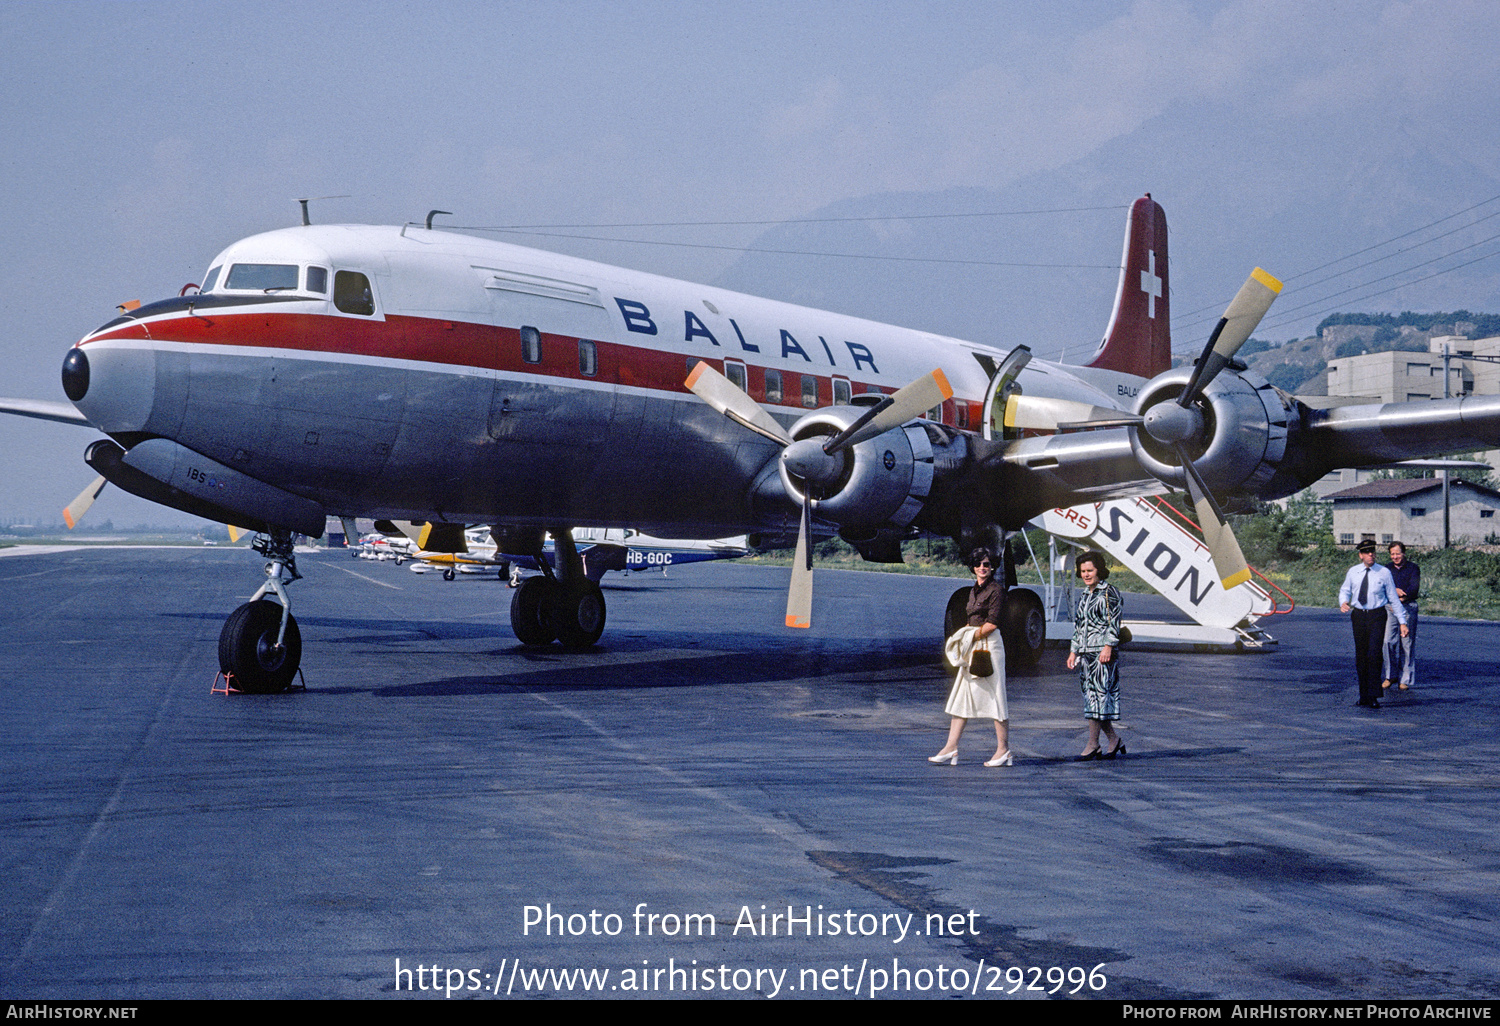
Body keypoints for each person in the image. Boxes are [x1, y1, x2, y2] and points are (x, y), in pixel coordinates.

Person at [930, 546, 1011, 767]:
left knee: (996, 697)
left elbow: (992, 623)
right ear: (973, 567)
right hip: (974, 644)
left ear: (992, 566)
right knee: (961, 696)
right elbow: (972, 619)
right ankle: (950, 748)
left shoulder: (996, 590)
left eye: (986, 564)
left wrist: (969, 636)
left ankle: (1003, 750)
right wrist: (965, 639)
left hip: (989, 646)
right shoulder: (974, 590)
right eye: (978, 564)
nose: (982, 568)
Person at [1068, 550, 1124, 760]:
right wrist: (1073, 650)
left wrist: (1108, 647)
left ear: (1099, 570)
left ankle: (1093, 744)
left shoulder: (1110, 593)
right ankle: (1113, 739)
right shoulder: (1085, 595)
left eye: (1090, 570)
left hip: (1102, 654)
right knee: (1091, 699)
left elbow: (1114, 623)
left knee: (1098, 699)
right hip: (1085, 655)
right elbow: (1079, 625)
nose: (1086, 574)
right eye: (1083, 571)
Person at [1339, 539, 1409, 709]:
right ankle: (1363, 695)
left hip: (1377, 616)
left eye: (1373, 551)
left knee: (1374, 654)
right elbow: (1345, 590)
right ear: (1360, 555)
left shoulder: (1384, 572)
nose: (1371, 554)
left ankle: (1373, 695)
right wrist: (1343, 602)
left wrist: (1402, 622)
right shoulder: (1353, 572)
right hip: (1359, 616)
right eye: (1367, 552)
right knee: (1361, 656)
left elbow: (1393, 597)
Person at [1381, 541, 1419, 692]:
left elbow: (1414, 588)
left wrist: (1400, 598)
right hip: (1390, 608)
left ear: (1404, 553)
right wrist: (1394, 590)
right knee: (1388, 641)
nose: (1395, 557)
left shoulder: (1413, 568)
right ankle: (1390, 676)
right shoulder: (1386, 569)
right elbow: (1383, 588)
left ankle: (1405, 679)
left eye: (1398, 553)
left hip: (1407, 607)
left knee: (1406, 644)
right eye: (1392, 554)